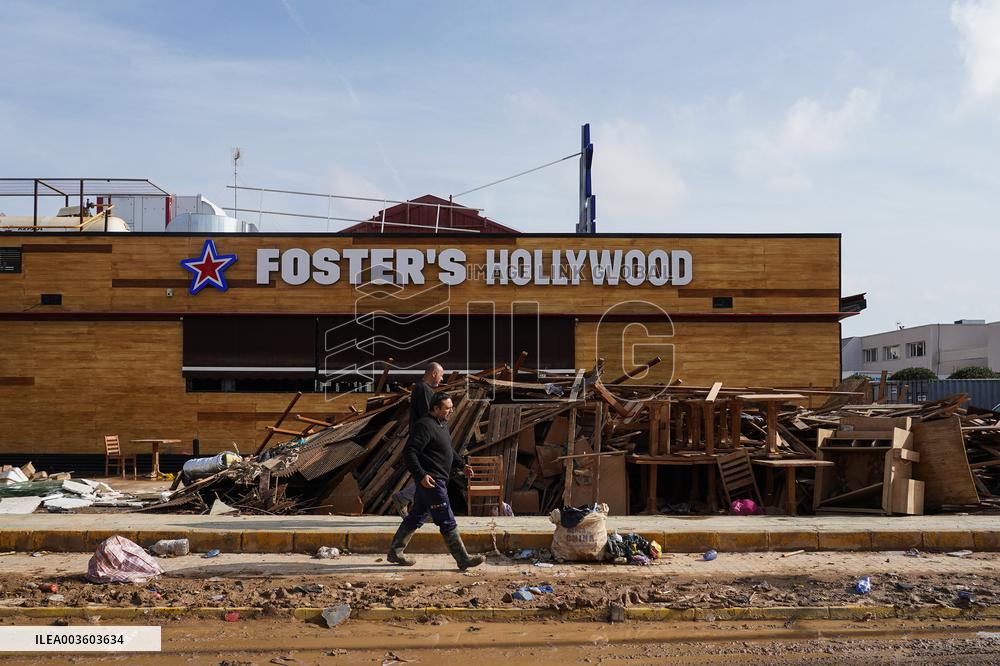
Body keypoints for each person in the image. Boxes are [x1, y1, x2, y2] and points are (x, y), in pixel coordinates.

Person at [387, 392, 485, 570]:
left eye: (451, 407)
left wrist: (461, 465)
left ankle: (395, 552)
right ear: (435, 408)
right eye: (447, 408)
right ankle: (462, 558)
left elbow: (448, 449)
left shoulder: (441, 424)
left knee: (416, 516)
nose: (451, 411)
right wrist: (421, 475)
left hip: (437, 480)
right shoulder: (424, 426)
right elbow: (410, 453)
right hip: (432, 481)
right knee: (446, 519)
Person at [391, 362, 445, 517]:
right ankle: (409, 501)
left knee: (429, 474)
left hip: (423, 437)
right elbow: (427, 416)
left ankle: (415, 505)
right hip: (424, 439)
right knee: (432, 474)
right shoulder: (423, 389)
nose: (442, 379)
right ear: (434, 373)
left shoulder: (423, 389)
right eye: (441, 375)